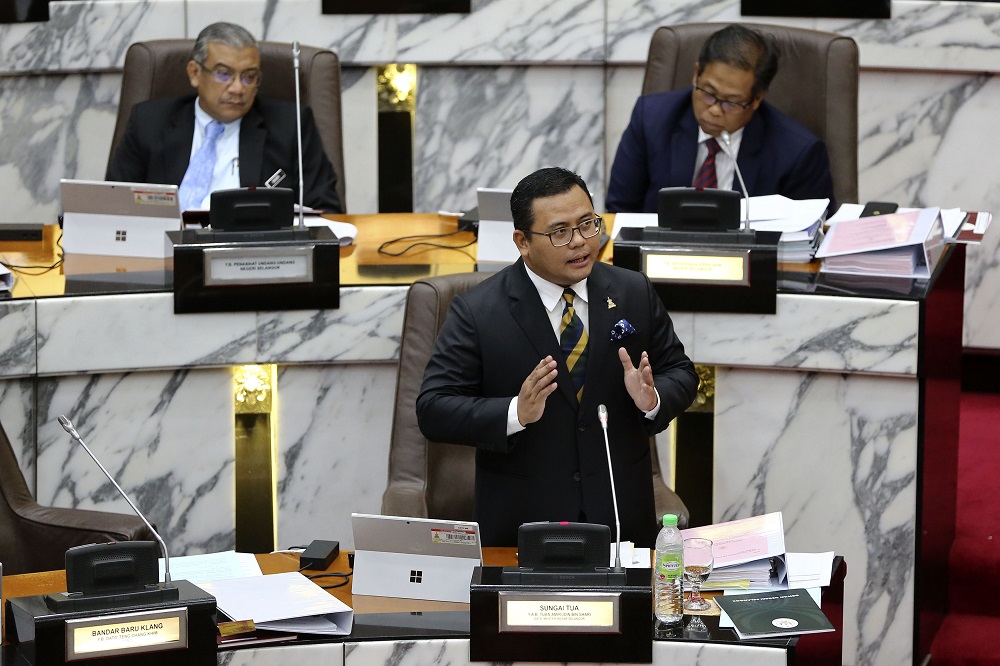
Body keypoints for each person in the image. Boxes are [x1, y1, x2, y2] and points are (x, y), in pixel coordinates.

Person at [416, 167, 699, 547]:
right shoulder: (479, 311)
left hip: (620, 517)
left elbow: (680, 372)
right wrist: (517, 412)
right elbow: (434, 409)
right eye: (560, 232)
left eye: (588, 224)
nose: (581, 242)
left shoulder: (632, 291)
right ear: (522, 241)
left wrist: (653, 399)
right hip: (522, 523)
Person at [106, 22, 343, 213]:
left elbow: (327, 208)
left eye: (249, 77)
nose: (238, 88)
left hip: (255, 259)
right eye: (224, 74)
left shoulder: (291, 125)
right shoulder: (149, 122)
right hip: (162, 255)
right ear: (195, 73)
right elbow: (111, 206)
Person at [606, 24, 834, 214]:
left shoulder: (798, 153)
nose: (715, 110)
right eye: (707, 93)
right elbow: (620, 210)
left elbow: (808, 236)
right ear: (696, 74)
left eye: (731, 102)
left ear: (756, 99)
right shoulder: (652, 119)